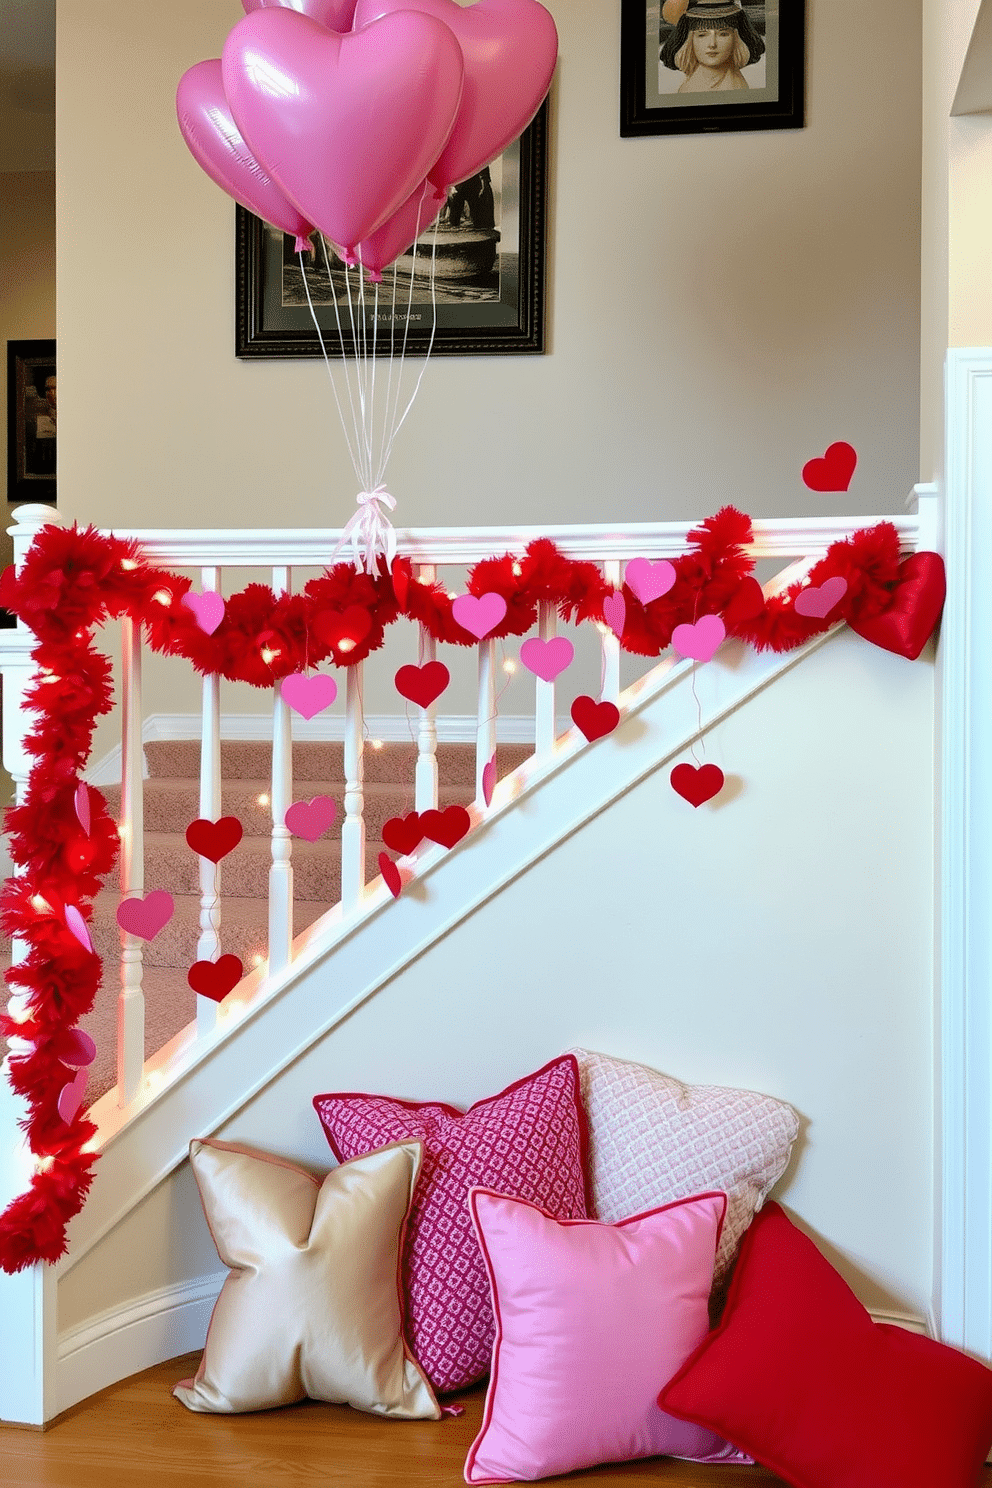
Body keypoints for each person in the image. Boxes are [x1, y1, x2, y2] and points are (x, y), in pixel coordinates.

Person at [660, 0, 765, 93]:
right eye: (702, 35)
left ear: (736, 38)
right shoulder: (687, 86)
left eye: (723, 34)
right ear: (690, 40)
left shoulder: (736, 87)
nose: (712, 44)